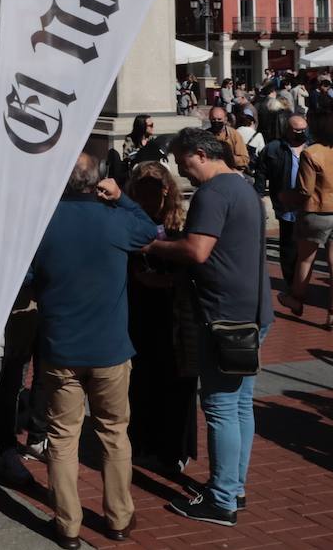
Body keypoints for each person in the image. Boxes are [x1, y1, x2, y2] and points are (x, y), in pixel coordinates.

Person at [28, 154, 156, 548]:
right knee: (114, 433)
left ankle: (68, 523)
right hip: (109, 348)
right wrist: (122, 198)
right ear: (98, 182)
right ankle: (118, 517)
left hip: (61, 346)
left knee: (63, 437)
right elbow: (150, 230)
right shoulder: (114, 221)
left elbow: (29, 276)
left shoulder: (44, 224)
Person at [148, 129, 274, 527]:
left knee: (221, 408)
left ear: (200, 155)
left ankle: (222, 499)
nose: (184, 172)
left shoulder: (213, 193)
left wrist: (155, 247)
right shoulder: (243, 187)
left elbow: (197, 250)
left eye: (184, 163)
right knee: (239, 405)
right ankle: (232, 486)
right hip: (252, 311)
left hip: (223, 316)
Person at [123, 161, 199, 477]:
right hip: (139, 309)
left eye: (152, 193)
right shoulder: (127, 219)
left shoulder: (179, 223)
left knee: (176, 379)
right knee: (141, 379)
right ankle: (143, 441)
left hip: (174, 311)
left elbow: (192, 263)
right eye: (140, 193)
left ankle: (174, 449)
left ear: (166, 192)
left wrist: (167, 280)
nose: (146, 200)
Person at [281, 109, 333, 330]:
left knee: (306, 259)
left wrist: (286, 196)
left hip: (317, 212)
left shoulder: (311, 153)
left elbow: (305, 190)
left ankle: (296, 299)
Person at [256, 113, 308, 285]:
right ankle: (291, 279)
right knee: (288, 245)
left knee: (307, 245)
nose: (300, 133)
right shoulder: (274, 148)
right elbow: (261, 172)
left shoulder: (312, 147)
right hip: (286, 205)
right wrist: (259, 195)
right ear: (287, 130)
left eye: (303, 129)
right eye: (296, 130)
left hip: (309, 204)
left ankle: (302, 281)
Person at [207, 106, 250, 173]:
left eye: (219, 119)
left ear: (225, 119)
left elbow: (244, 159)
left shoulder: (234, 135)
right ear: (209, 118)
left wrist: (228, 158)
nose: (216, 122)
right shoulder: (205, 135)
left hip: (230, 172)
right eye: (213, 119)